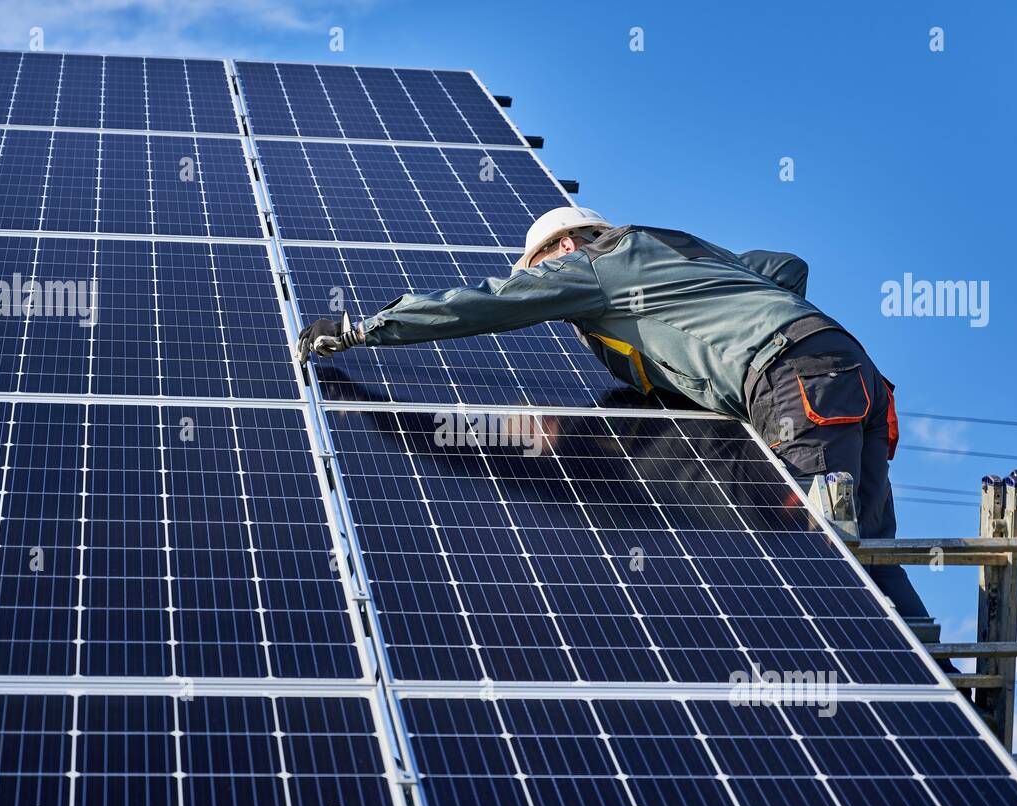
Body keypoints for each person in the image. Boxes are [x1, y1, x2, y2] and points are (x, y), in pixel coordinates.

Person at [298, 207, 929, 621]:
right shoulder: (671, 250)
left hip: (789, 382)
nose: (543, 284)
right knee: (867, 551)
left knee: (811, 549)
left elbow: (484, 304)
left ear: (565, 245)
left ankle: (888, 699)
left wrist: (363, 330)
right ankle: (946, 688)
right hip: (848, 372)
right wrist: (729, 299)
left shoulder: (594, 266)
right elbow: (788, 266)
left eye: (542, 267)